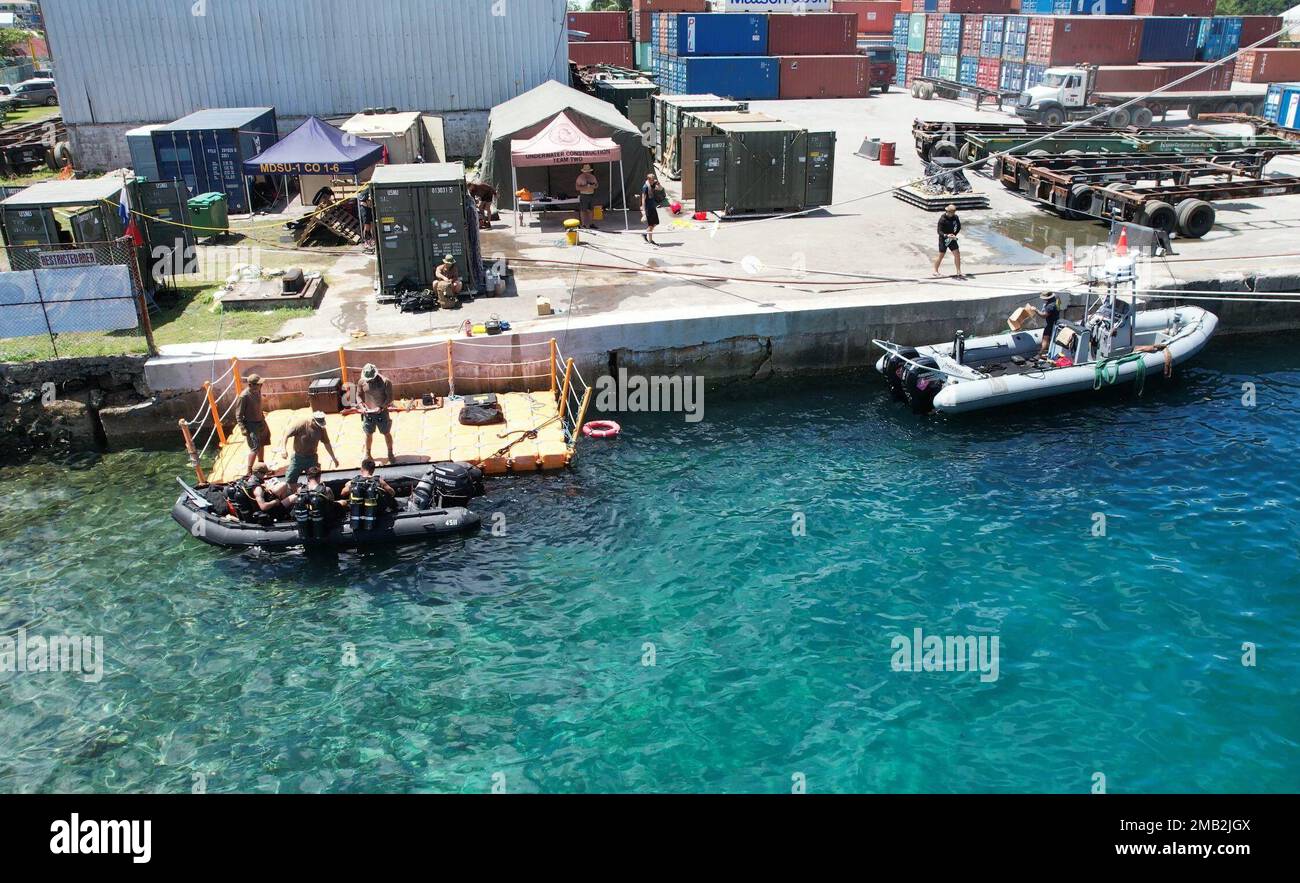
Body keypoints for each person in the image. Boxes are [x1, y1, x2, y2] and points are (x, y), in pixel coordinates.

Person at [281, 411, 339, 486]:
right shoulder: (301, 424)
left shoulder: (321, 429)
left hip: (312, 458)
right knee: (290, 479)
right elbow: (286, 435)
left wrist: (333, 458)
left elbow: (327, 443)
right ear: (313, 420)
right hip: (298, 458)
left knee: (314, 480)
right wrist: (283, 449)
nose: (319, 426)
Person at [341, 458, 398, 530]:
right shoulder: (378, 481)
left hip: (358, 513)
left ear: (361, 468)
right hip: (376, 513)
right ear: (373, 470)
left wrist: (348, 485)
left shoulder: (354, 481)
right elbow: (392, 492)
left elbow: (343, 493)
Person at [357, 363, 395, 464]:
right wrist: (362, 406)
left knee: (386, 433)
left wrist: (381, 407)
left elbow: (390, 398)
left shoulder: (386, 382)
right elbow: (358, 396)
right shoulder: (361, 382)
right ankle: (368, 454)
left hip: (381, 413)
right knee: (368, 434)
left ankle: (390, 453)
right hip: (368, 414)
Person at [235, 373, 270, 476]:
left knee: (262, 443)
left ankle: (261, 466)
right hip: (251, 425)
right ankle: (249, 471)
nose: (261, 386)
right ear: (251, 385)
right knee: (254, 447)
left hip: (261, 421)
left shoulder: (257, 391)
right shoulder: (244, 397)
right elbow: (238, 415)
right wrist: (243, 428)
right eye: (259, 384)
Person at [1025, 290, 1063, 356]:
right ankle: (1047, 350)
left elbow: (1044, 315)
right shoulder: (1056, 298)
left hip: (1051, 323)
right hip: (1056, 319)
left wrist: (1036, 310)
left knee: (1045, 337)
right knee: (1049, 337)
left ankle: (1041, 353)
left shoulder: (1050, 306)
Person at [933, 204, 963, 278]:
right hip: (943, 239)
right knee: (941, 256)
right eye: (951, 212)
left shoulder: (955, 217)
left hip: (952, 238)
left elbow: (959, 226)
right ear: (947, 211)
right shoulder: (942, 219)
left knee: (957, 254)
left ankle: (959, 272)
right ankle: (935, 271)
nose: (953, 214)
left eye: (954, 212)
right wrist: (946, 235)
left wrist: (954, 234)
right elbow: (939, 231)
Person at [641, 173, 663, 246]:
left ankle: (645, 233)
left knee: (656, 222)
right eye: (652, 179)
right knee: (651, 225)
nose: (653, 180)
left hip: (652, 207)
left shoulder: (652, 185)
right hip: (648, 208)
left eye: (654, 179)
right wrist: (644, 211)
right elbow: (643, 199)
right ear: (648, 179)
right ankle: (650, 240)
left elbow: (660, 189)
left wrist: (658, 184)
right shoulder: (645, 187)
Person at [576, 164, 599, 230]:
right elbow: (577, 187)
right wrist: (585, 187)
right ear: (583, 171)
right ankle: (583, 224)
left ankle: (591, 224)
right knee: (583, 210)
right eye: (586, 171)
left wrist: (593, 186)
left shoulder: (593, 177)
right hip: (584, 195)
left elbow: (597, 185)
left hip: (591, 194)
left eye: (588, 171)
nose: (587, 172)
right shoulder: (580, 178)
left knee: (591, 210)